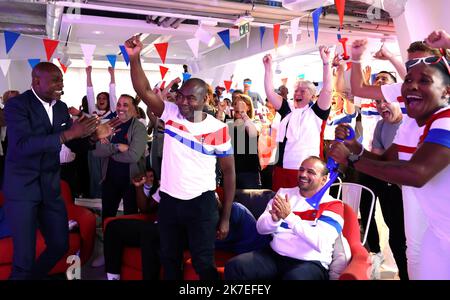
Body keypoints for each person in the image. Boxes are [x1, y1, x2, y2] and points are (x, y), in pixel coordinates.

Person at [329, 54, 450, 279]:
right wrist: (354, 146)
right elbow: (386, 162)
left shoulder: (447, 119)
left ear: (446, 92)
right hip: (439, 233)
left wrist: (351, 159)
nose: (412, 85)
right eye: (408, 80)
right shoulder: (412, 125)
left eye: (424, 81)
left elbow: (417, 173)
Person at [125, 34, 236, 280]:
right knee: (169, 259)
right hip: (170, 203)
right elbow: (142, 90)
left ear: (205, 100)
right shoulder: (171, 113)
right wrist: (135, 58)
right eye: (181, 96)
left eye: (191, 98)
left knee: (203, 263)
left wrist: (225, 217)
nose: (184, 102)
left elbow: (229, 173)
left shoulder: (218, 128)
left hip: (202, 204)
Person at [2, 62, 120, 279]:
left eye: (62, 80)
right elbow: (21, 146)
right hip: (22, 191)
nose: (61, 85)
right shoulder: (17, 105)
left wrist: (93, 136)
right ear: (36, 81)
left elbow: (74, 144)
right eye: (55, 80)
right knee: (23, 260)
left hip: (50, 188)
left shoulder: (60, 107)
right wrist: (68, 134)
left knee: (59, 244)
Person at [224, 156, 344, 280]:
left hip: (310, 262)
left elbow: (322, 243)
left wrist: (289, 217)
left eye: (310, 172)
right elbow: (260, 228)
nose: (303, 174)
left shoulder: (333, 205)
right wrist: (273, 220)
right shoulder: (283, 193)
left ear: (324, 179)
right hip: (274, 255)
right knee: (235, 267)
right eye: (301, 169)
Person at [262, 47, 333, 192]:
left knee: (305, 210)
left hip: (310, 171)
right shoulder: (287, 108)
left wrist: (326, 63)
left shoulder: (317, 112)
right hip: (283, 168)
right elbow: (270, 93)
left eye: (303, 91)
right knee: (278, 208)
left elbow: (327, 90)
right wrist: (268, 68)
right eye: (296, 90)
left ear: (313, 96)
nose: (297, 93)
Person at [93, 94, 148, 222]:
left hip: (131, 182)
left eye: (125, 105)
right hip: (109, 180)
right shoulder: (109, 125)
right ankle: (108, 241)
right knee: (107, 217)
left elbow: (133, 155)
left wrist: (110, 152)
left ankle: (128, 241)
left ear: (134, 108)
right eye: (118, 104)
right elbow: (96, 151)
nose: (120, 108)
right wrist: (117, 147)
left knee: (130, 219)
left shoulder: (138, 127)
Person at [227, 93, 261, 189]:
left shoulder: (255, 121)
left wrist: (243, 113)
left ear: (249, 107)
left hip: (248, 173)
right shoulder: (229, 123)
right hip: (230, 172)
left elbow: (253, 133)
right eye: (235, 104)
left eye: (241, 104)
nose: (237, 106)